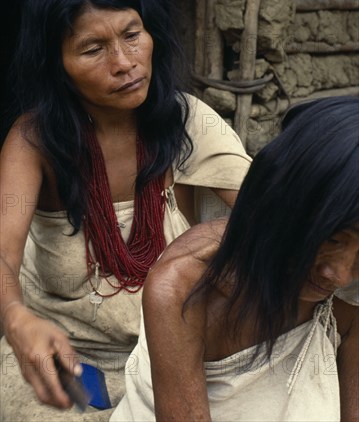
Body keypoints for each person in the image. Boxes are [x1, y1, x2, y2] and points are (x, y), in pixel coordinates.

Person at [0, 0, 252, 420]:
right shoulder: (33, 142)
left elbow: (272, 212)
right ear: (57, 65)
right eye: (93, 49)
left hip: (176, 357)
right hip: (67, 363)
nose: (124, 62)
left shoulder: (189, 121)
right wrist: (17, 320)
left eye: (132, 35)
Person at [111, 96, 359, 422]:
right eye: (332, 239)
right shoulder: (184, 287)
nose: (339, 275)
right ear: (287, 204)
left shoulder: (346, 296)